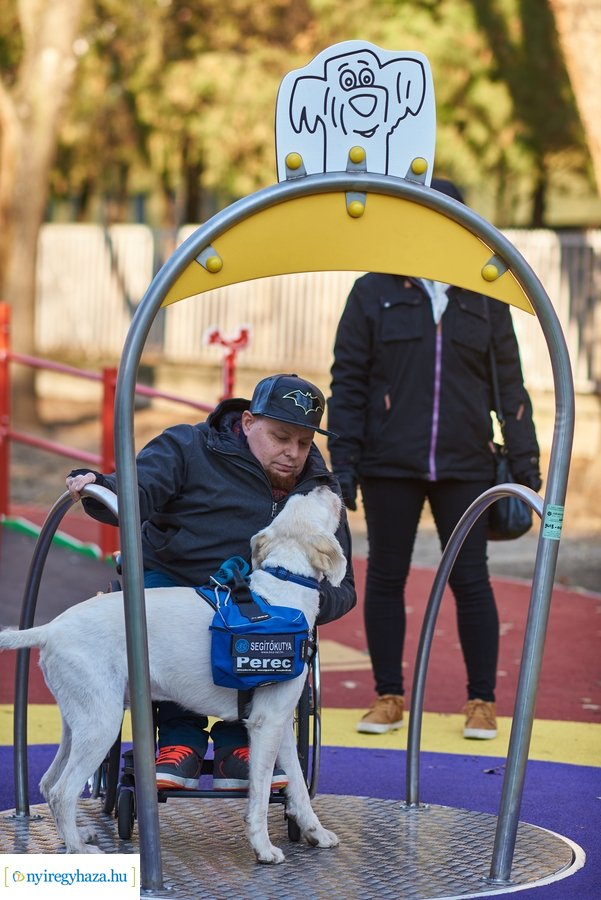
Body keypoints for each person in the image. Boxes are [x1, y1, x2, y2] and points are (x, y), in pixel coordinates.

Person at [66, 373, 356, 790]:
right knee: (165, 609)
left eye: (304, 443)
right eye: (280, 437)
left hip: (258, 605)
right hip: (175, 578)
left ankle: (239, 741)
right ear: (249, 421)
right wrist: (101, 487)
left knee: (270, 626)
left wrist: (302, 605)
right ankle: (179, 737)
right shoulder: (188, 446)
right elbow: (138, 488)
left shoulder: (317, 489)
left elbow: (343, 586)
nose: (293, 454)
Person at [327, 178, 541, 740]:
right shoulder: (373, 292)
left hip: (467, 464)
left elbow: (511, 390)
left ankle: (481, 702)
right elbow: (348, 383)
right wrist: (342, 462)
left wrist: (527, 472)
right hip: (387, 464)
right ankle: (388, 696)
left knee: (471, 580)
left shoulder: (487, 297)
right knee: (386, 578)